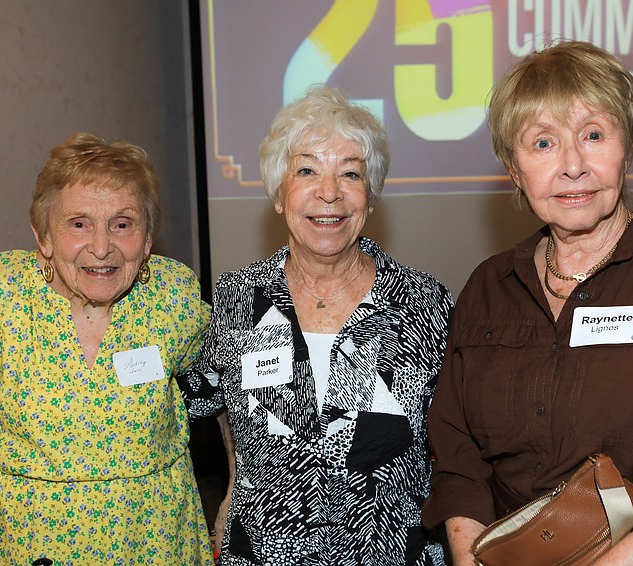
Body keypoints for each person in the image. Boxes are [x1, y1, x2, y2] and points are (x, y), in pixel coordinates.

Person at [422, 40, 633, 565]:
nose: (572, 165)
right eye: (543, 143)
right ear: (514, 168)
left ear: (628, 147)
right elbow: (458, 459)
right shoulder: (488, 287)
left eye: (594, 135)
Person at [0, 133, 215, 565]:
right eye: (78, 224)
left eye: (123, 224)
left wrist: (236, 490)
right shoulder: (3, 299)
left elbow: (223, 389)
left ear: (147, 240)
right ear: (44, 237)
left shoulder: (173, 300)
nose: (102, 247)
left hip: (153, 538)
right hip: (25, 542)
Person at [179, 85, 453, 565]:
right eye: (307, 170)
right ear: (280, 193)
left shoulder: (424, 304)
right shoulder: (238, 299)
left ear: (370, 198)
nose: (329, 193)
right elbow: (220, 395)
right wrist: (233, 481)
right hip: (264, 550)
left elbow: (456, 439)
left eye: (350, 173)